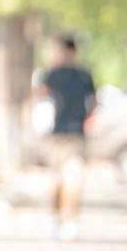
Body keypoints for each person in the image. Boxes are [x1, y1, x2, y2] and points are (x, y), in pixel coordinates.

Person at [39, 35, 96, 237]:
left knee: (63, 179)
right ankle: (67, 219)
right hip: (72, 134)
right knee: (69, 178)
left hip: (60, 135)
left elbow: (40, 99)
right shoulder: (85, 76)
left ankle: (60, 218)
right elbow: (93, 105)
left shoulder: (52, 74)